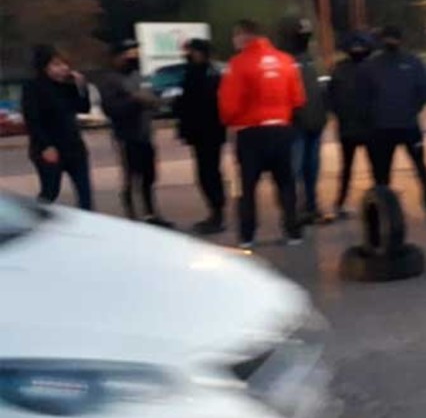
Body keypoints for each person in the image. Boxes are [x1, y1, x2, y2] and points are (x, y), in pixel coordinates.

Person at [218, 19, 306, 249]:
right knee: (286, 184)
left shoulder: (238, 64)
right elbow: (298, 98)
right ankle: (293, 231)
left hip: (251, 133)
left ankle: (247, 236)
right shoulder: (286, 61)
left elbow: (229, 103)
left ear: (242, 36)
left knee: (247, 187)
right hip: (282, 129)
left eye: (235, 36)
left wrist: (231, 121)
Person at [360, 25, 426, 221]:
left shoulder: (405, 62)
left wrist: (410, 111)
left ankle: (424, 204)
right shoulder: (407, 62)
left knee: (389, 173)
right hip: (392, 126)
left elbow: (422, 92)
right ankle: (423, 206)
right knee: (398, 171)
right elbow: (422, 92)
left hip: (395, 125)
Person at [100, 39, 171, 226]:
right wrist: (134, 100)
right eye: (129, 53)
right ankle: (132, 218)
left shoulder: (138, 76)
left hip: (144, 133)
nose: (133, 56)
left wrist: (154, 102)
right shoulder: (111, 80)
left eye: (135, 52)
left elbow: (152, 100)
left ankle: (150, 214)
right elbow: (111, 109)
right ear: (117, 57)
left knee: (149, 176)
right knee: (132, 177)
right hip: (126, 136)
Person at [21, 45, 93, 210]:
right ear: (44, 66)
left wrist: (81, 87)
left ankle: (87, 228)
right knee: (50, 191)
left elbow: (83, 108)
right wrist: (46, 146)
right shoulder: (33, 87)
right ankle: (34, 219)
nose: (63, 69)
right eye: (56, 65)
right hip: (49, 148)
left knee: (85, 195)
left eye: (64, 64)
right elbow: (32, 119)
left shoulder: (67, 86)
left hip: (74, 147)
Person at [176, 38, 227, 234]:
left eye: (191, 52)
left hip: (209, 131)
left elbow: (200, 103)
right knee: (206, 173)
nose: (188, 56)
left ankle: (217, 214)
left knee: (209, 173)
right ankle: (215, 212)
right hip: (200, 132)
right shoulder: (194, 73)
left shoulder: (209, 75)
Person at [282, 18, 330, 224]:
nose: (304, 39)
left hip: (315, 123)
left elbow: (323, 91)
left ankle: (311, 206)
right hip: (296, 126)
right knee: (296, 170)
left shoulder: (312, 60)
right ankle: (294, 211)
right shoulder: (286, 61)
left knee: (311, 169)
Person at [327, 31, 375, 218]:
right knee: (374, 167)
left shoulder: (339, 69)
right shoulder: (372, 68)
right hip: (369, 126)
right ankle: (378, 201)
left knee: (346, 167)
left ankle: (340, 202)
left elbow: (331, 98)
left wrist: (339, 115)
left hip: (347, 127)